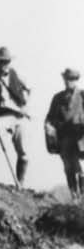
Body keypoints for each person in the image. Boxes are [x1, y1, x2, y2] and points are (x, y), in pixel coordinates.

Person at [0, 47, 31, 185]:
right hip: (1, 117)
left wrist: (25, 105)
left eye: (6, 62)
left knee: (23, 151)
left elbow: (30, 89)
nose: (4, 65)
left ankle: (20, 182)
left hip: (18, 117)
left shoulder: (16, 75)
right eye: (1, 62)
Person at [45, 67, 84, 202]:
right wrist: (49, 127)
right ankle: (74, 195)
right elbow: (49, 118)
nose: (69, 82)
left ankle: (82, 196)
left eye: (72, 79)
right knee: (68, 167)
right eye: (67, 79)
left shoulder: (82, 96)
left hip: (80, 137)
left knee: (79, 169)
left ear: (76, 80)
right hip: (64, 138)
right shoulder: (58, 98)